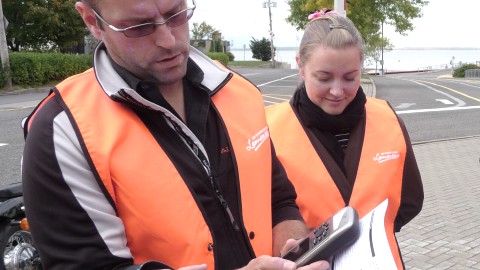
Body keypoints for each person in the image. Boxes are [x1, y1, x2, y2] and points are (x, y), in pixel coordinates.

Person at [21, 1, 330, 269]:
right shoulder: (64, 130)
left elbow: (278, 199)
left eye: (176, 13)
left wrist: (297, 251)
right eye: (139, 27)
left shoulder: (239, 91)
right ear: (92, 21)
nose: (168, 40)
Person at [266, 9, 424, 270]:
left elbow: (409, 200)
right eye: (324, 78)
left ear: (361, 66)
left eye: (350, 77)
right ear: (301, 67)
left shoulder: (388, 118)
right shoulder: (268, 129)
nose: (337, 91)